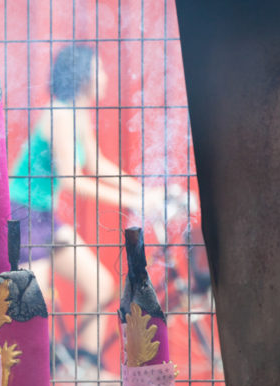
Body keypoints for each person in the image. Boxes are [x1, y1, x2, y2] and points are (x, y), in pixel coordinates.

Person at [10, 44, 165, 361]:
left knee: (102, 287)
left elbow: (97, 164)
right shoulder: (61, 116)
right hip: (24, 217)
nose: (105, 76)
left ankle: (82, 367)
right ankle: (37, 372)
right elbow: (72, 180)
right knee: (29, 311)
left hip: (44, 217)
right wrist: (131, 201)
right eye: (100, 69)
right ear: (83, 77)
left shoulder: (75, 114)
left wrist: (145, 195)